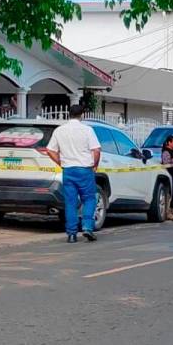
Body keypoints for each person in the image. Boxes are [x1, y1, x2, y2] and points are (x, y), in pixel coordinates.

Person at [46, 104, 101, 243]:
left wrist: (60, 162)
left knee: (70, 202)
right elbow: (96, 150)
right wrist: (94, 165)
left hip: (68, 170)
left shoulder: (59, 130)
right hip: (84, 169)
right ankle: (87, 227)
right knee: (89, 199)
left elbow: (50, 150)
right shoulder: (87, 130)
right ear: (81, 115)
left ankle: (71, 234)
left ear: (68, 114)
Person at [161, 134, 173, 220]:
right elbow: (166, 164)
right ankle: (168, 212)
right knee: (171, 194)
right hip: (170, 175)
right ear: (169, 142)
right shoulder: (166, 152)